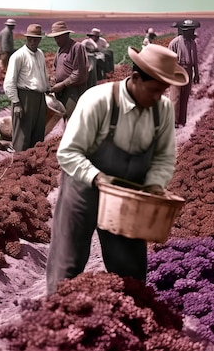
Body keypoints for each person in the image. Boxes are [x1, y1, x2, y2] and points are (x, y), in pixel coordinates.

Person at [45, 44, 188, 295]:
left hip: (127, 192)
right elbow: (68, 152)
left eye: (164, 90)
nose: (160, 97)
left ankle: (128, 315)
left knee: (129, 269)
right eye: (155, 90)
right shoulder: (98, 101)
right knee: (68, 262)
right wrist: (98, 178)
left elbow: (164, 158)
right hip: (83, 186)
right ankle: (57, 315)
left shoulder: (162, 110)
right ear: (135, 79)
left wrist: (154, 186)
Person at [4, 24, 50, 151]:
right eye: (30, 38)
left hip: (39, 98)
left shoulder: (40, 54)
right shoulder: (18, 55)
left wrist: (47, 87)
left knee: (38, 134)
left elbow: (43, 74)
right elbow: (9, 81)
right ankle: (19, 166)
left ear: (40, 39)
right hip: (24, 98)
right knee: (22, 137)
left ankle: (34, 163)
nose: (32, 41)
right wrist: (16, 102)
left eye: (36, 39)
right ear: (26, 38)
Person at [47, 21, 89, 119]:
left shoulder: (76, 47)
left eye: (58, 37)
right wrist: (53, 78)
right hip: (61, 90)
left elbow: (78, 73)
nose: (56, 40)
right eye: (55, 37)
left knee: (73, 119)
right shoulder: (60, 50)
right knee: (65, 118)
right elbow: (55, 67)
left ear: (66, 35)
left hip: (73, 91)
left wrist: (62, 84)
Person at [168, 19, 200, 127]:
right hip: (177, 70)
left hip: (189, 71)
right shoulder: (174, 43)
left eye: (192, 30)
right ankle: (173, 121)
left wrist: (197, 74)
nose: (192, 32)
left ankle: (182, 121)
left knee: (185, 96)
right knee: (175, 97)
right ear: (184, 31)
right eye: (190, 30)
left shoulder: (192, 43)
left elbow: (195, 60)